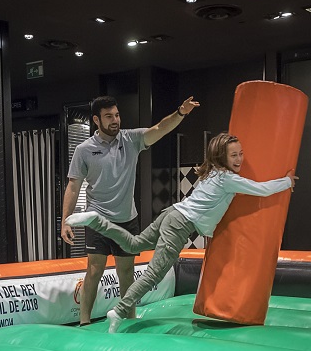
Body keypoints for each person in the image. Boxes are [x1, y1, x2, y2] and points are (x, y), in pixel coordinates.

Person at [67, 132, 296, 333]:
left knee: (134, 244)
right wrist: (286, 182)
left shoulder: (213, 173)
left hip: (172, 213)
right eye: (234, 155)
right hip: (180, 224)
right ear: (221, 157)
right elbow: (261, 189)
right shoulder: (227, 178)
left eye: (241, 154)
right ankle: (119, 311)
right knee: (154, 273)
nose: (239, 159)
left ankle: (97, 221)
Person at [60, 94, 200, 325]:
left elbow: (160, 129)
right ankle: (84, 322)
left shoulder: (130, 139)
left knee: (126, 272)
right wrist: (66, 220)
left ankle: (129, 319)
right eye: (108, 116)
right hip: (96, 218)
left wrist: (181, 113)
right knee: (94, 270)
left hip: (126, 218)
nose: (115, 120)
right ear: (96, 120)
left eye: (117, 115)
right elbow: (73, 186)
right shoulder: (84, 150)